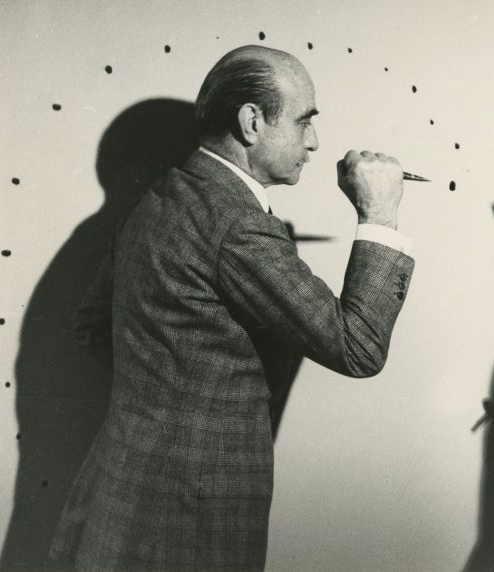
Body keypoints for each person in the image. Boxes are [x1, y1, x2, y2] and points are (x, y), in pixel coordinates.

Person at [49, 45, 415, 571]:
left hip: (124, 483)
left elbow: (91, 327)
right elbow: (358, 348)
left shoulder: (159, 196)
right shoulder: (238, 225)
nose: (314, 141)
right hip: (194, 510)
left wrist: (178, 401)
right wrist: (378, 214)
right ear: (251, 122)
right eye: (304, 120)